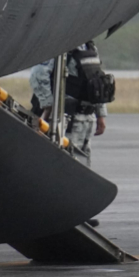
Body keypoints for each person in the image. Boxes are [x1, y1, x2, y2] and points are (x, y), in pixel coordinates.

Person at [30, 41, 111, 181]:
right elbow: (38, 75)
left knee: (82, 168)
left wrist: (100, 115)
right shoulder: (60, 45)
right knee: (63, 167)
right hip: (66, 119)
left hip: (86, 119)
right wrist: (48, 105)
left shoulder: (90, 46)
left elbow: (97, 81)